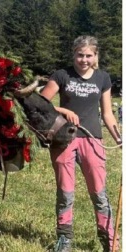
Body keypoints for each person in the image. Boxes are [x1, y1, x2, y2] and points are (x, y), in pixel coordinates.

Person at [40, 35, 121, 252]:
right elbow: (40, 103)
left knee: (99, 193)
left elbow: (107, 114)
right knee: (65, 193)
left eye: (88, 56)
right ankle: (64, 240)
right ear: (73, 53)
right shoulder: (62, 75)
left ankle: (110, 241)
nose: (83, 60)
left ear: (95, 56)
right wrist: (64, 110)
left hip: (92, 139)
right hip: (64, 139)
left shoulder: (103, 78)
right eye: (79, 55)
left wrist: (120, 140)